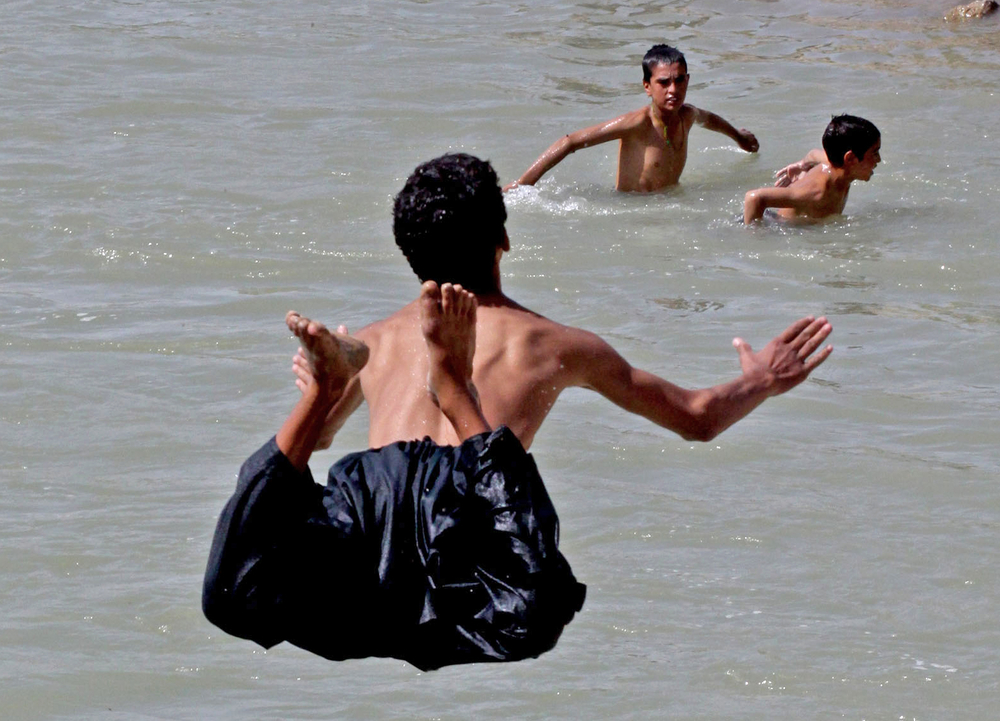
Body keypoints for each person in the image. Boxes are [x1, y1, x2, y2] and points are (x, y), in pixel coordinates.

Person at [204, 153, 833, 671]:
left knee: (235, 596)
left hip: (372, 505)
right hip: (464, 506)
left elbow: (315, 454)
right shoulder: (554, 344)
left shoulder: (375, 340)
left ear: (409, 252)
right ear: (503, 240)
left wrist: (321, 399)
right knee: (536, 613)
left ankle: (319, 394)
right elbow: (697, 418)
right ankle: (459, 398)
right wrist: (763, 382)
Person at [504, 44, 759, 193]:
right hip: (634, 213)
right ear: (647, 86)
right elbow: (571, 142)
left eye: (679, 80)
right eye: (664, 82)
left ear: (688, 80)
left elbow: (710, 120)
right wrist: (523, 185)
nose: (673, 89)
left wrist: (739, 138)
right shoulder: (637, 124)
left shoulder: (687, 115)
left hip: (669, 207)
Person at [743, 114, 881, 225]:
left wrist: (802, 164)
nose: (879, 159)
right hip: (777, 225)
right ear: (850, 159)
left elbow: (814, 153)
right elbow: (754, 198)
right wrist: (756, 239)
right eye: (875, 153)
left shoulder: (837, 165)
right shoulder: (818, 193)